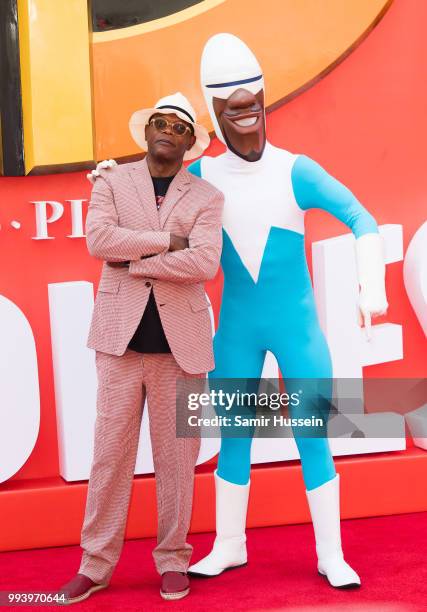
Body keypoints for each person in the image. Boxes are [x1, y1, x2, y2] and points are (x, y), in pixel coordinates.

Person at [185, 34, 388, 588]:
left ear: (265, 103)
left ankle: (331, 552)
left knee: (312, 433)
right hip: (236, 331)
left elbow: (362, 219)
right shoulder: (201, 178)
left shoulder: (295, 170)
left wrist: (372, 287)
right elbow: (157, 219)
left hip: (297, 329)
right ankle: (229, 543)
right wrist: (110, 185)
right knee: (232, 434)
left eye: (252, 104)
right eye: (232, 108)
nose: (246, 116)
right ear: (213, 113)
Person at [57, 92, 224, 604]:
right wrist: (168, 241)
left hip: (183, 348)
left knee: (179, 460)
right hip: (118, 343)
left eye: (179, 126)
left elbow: (204, 264)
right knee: (109, 457)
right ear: (147, 130)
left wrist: (137, 260)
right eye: (160, 122)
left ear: (190, 141)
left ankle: (174, 559)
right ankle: (95, 564)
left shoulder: (207, 197)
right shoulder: (111, 182)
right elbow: (99, 241)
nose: (168, 130)